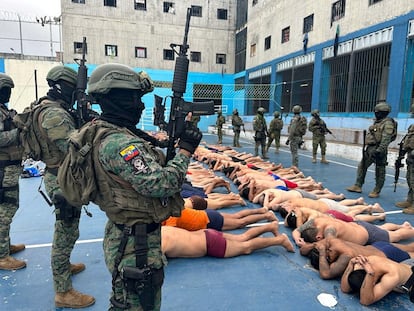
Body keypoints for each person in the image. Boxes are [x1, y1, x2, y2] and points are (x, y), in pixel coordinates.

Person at [85, 63, 202, 310]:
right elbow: (162, 184)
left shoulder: (105, 130)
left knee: (125, 301)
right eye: (134, 98)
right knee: (138, 302)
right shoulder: (119, 143)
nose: (139, 105)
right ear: (117, 98)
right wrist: (185, 151)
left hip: (126, 232)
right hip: (135, 243)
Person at [26, 66, 95, 308]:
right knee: (65, 232)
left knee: (69, 229)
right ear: (61, 86)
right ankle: (63, 291)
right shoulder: (54, 114)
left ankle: (64, 267)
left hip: (62, 175)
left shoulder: (55, 109)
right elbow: (72, 149)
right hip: (61, 178)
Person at [0, 73, 26, 271]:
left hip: (9, 168)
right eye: (5, 90)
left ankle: (4, 244)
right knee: (4, 211)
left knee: (10, 206)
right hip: (3, 169)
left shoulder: (4, 111)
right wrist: (20, 132)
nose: (8, 93)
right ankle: (2, 256)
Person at [161, 221, 295, 258]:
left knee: (246, 247)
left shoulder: (160, 243)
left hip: (209, 245)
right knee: (242, 237)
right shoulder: (161, 231)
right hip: (206, 234)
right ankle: (270, 226)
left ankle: (280, 240)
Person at [346, 102, 397, 198]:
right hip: (370, 148)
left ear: (383, 113)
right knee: (362, 166)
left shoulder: (388, 123)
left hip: (378, 149)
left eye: (378, 112)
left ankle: (377, 190)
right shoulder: (378, 122)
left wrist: (379, 150)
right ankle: (358, 185)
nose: (376, 114)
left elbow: (386, 139)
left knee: (379, 170)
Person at [303, 237, 414, 280]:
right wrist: (315, 245)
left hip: (388, 255)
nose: (331, 262)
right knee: (410, 246)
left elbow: (326, 274)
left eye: (329, 260)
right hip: (377, 245)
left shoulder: (347, 255)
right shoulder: (329, 241)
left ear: (327, 253)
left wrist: (321, 254)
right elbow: (303, 250)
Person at [294, 216, 414, 248]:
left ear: (319, 236)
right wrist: (296, 238)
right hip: (359, 226)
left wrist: (308, 245)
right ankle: (403, 225)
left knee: (396, 236)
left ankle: (410, 230)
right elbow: (297, 231)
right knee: (381, 228)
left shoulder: (330, 230)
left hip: (369, 235)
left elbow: (331, 244)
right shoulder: (316, 221)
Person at [340, 255, 414, 306]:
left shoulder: (392, 276)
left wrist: (370, 274)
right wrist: (351, 264)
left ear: (374, 283)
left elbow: (365, 301)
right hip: (405, 266)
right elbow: (345, 289)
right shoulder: (361, 265)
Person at [163, 206, 277, 231]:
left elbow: (171, 232)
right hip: (206, 215)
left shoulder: (170, 216)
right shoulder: (171, 209)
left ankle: (266, 215)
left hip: (208, 221)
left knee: (240, 222)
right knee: (236, 216)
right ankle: (261, 211)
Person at [395, 124, 414, 214]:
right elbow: (409, 140)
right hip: (411, 160)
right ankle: (409, 201)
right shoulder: (412, 126)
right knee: (410, 181)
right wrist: (402, 154)